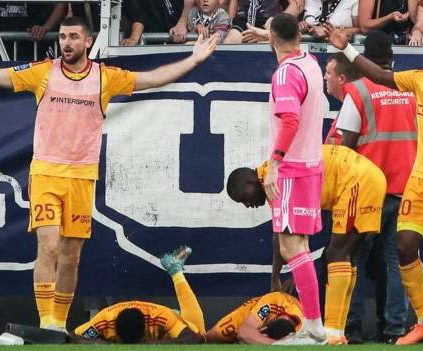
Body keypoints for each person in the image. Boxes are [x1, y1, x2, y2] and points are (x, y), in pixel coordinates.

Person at [0, 16, 218, 332]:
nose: (66, 43)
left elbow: (154, 79)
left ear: (88, 42)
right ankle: (46, 321)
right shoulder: (43, 72)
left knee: (71, 255)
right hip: (46, 173)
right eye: (62, 37)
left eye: (74, 37)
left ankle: (59, 325)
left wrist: (195, 58)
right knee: (48, 247)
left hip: (82, 176)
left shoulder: (105, 77)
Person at [324, 23, 423, 345]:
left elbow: (346, 143)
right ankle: (414, 324)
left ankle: (349, 328)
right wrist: (346, 48)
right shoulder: (418, 82)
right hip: (414, 182)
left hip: (410, 185)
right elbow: (382, 77)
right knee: (402, 252)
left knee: (354, 256)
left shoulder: (361, 94)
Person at [226, 144, 387, 345]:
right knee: (344, 256)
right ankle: (338, 332)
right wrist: (281, 276)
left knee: (337, 254)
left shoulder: (275, 179)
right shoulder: (272, 178)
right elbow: (285, 236)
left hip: (355, 179)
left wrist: (282, 275)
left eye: (244, 198)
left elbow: (285, 239)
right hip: (362, 176)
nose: (248, 205)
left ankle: (333, 332)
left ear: (251, 181)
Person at [249, 12, 326, 345]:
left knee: (290, 245)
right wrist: (265, 32)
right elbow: (283, 38)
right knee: (301, 246)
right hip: (312, 163)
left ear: (271, 39)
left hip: (292, 167)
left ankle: (314, 327)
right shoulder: (309, 61)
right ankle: (313, 325)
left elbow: (290, 121)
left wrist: (275, 164)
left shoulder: (284, 75)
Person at [71, 246, 205, 344]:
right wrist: (99, 344)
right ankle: (175, 269)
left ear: (146, 327)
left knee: (201, 335)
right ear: (114, 327)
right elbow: (72, 337)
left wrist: (149, 345)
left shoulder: (160, 316)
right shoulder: (105, 319)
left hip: (172, 318)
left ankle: (175, 270)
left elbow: (194, 338)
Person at [205, 291, 303, 344]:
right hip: (239, 323)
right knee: (205, 339)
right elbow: (244, 332)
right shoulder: (273, 302)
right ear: (263, 329)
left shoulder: (305, 324)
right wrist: (276, 345)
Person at [224, 0, 301, 43]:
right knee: (229, 42)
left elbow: (296, 5)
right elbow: (234, 2)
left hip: (268, 21)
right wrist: (230, 23)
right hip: (243, 20)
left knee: (265, 46)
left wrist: (278, 20)